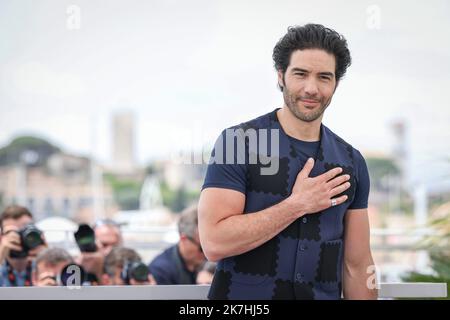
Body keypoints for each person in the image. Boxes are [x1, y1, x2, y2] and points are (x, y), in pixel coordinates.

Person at [198, 24, 378, 300]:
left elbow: (357, 266)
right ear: (281, 76)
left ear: (336, 84)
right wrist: (297, 205)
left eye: (324, 77)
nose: (311, 88)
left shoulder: (351, 161)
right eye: (301, 74)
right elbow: (214, 242)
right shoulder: (238, 142)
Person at [148, 206, 206, 285]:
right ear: (183, 239)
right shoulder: (160, 271)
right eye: (202, 248)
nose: (207, 253)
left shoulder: (212, 263)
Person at [0, 205, 47, 287]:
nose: (20, 238)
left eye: (25, 231)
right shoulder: (1, 269)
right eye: (12, 232)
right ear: (2, 237)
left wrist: (47, 260)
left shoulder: (43, 267)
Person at [75, 219, 123, 285]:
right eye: (104, 244)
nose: (109, 250)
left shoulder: (125, 265)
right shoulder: (81, 263)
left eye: (114, 245)